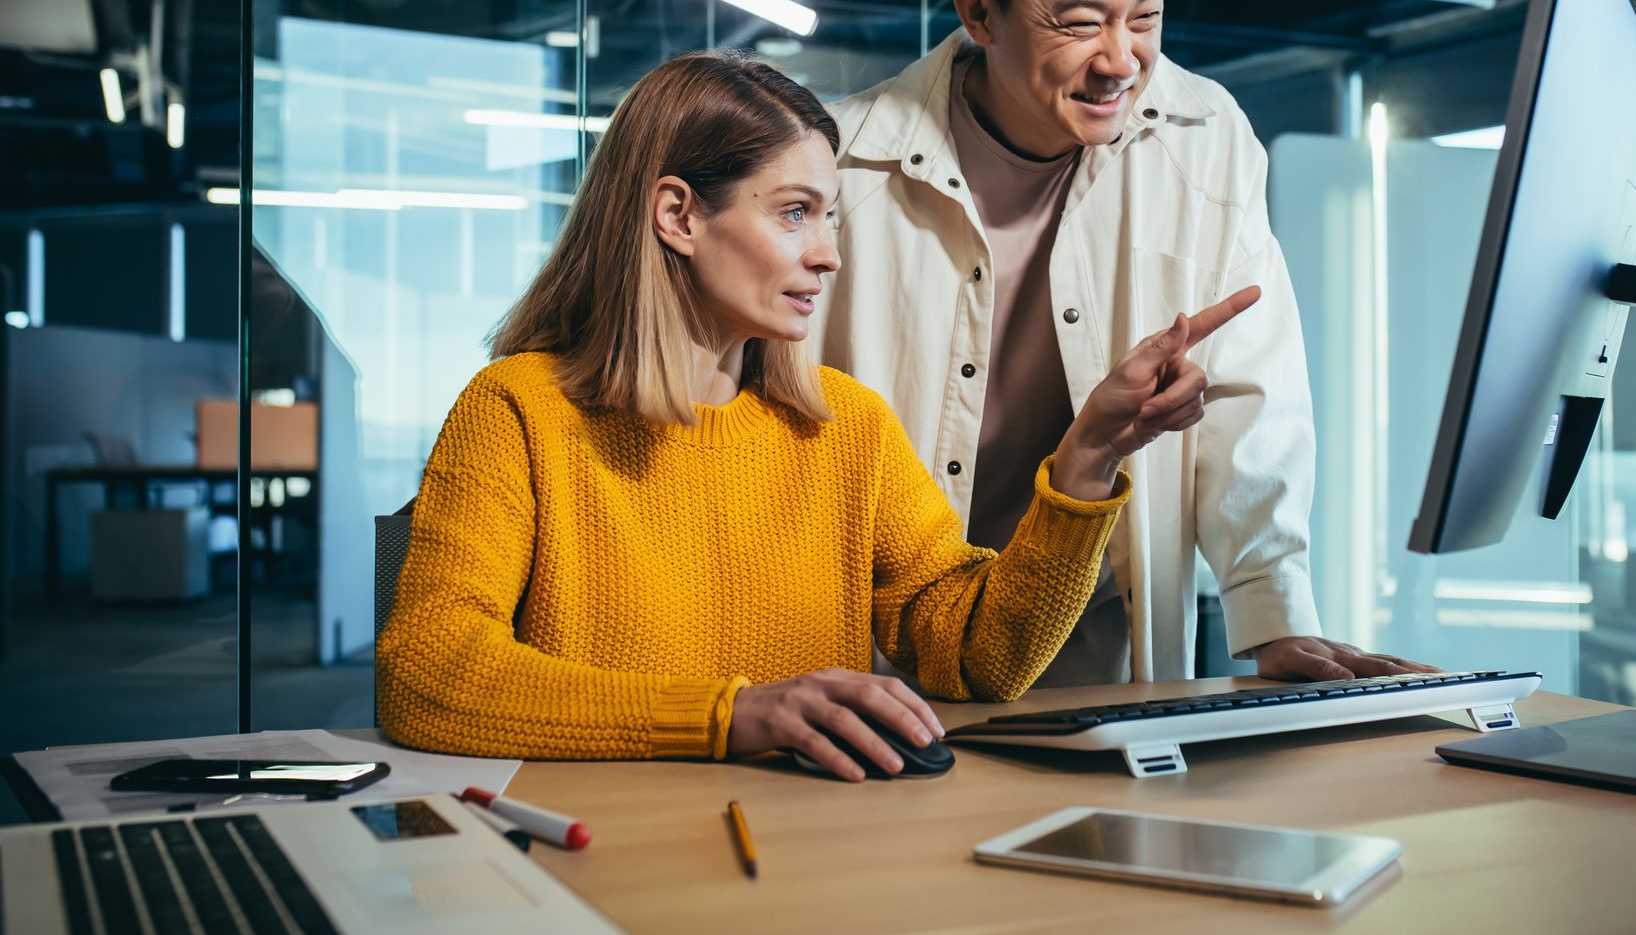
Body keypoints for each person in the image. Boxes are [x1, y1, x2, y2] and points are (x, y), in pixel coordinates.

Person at [377, 51, 1255, 780]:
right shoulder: (517, 412)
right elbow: (430, 674)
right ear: (677, 214)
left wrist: (1089, 455)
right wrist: (731, 714)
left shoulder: (845, 426)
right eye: (794, 213)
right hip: (597, 850)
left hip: (803, 849)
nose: (829, 255)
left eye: (828, 215)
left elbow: (977, 656)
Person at [817, 0, 1435, 685]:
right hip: (877, 647)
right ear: (978, 12)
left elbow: (1251, 391)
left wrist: (1274, 614)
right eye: (1079, 23)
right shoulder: (842, 164)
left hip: (1089, 639)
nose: (1121, 61)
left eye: (1144, 17)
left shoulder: (1204, 134)